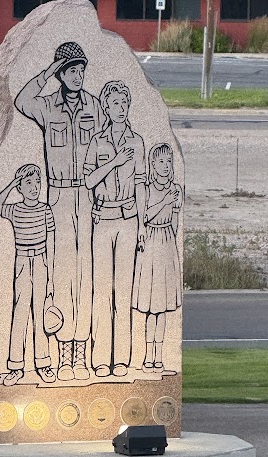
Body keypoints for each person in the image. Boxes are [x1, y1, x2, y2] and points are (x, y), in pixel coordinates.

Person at [14, 42, 105, 381]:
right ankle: (63, 353)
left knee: (86, 276)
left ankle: (81, 354)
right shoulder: (47, 107)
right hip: (58, 196)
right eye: (71, 70)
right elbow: (21, 100)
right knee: (62, 274)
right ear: (60, 74)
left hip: (87, 194)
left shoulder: (96, 107)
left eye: (82, 70)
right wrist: (47, 72)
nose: (78, 76)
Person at [83, 80, 146, 378]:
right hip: (103, 220)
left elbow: (141, 185)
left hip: (128, 219)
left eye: (125, 103)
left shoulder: (137, 141)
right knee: (101, 291)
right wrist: (115, 163)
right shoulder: (98, 142)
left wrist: (143, 223)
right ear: (106, 107)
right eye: (115, 104)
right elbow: (89, 181)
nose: (121, 109)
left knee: (123, 292)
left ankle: (121, 358)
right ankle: (99, 358)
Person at [0, 163, 56, 386]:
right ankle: (16, 366)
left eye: (37, 182)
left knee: (40, 313)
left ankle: (43, 364)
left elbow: (52, 242)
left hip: (41, 261)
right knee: (20, 313)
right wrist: (11, 184)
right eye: (28, 183)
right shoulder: (15, 209)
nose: (34, 187)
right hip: (22, 261)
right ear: (20, 187)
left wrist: (51, 277)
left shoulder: (45, 209)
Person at [132, 143, 182, 374]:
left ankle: (158, 356)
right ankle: (146, 356)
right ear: (152, 164)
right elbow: (147, 215)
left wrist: (173, 244)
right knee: (150, 307)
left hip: (166, 242)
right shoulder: (147, 189)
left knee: (162, 308)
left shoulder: (176, 189)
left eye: (168, 161)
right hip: (150, 240)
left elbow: (175, 220)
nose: (165, 166)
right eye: (160, 162)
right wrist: (165, 201)